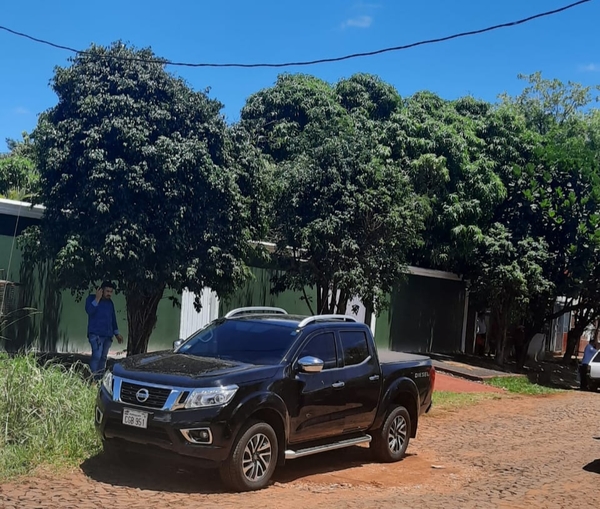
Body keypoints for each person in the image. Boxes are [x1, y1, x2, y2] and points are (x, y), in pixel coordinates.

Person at [85, 280, 123, 380]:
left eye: (111, 292)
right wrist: (97, 299)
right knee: (97, 356)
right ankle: (93, 379)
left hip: (107, 335)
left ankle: (99, 380)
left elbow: (113, 318)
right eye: (107, 291)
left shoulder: (110, 303)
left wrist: (116, 333)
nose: (109, 294)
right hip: (95, 334)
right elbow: (89, 311)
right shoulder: (91, 299)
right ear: (101, 290)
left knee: (103, 358)